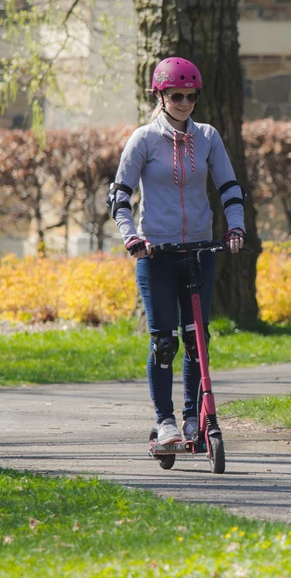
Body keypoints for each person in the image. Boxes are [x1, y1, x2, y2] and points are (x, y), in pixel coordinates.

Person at [107, 56, 246, 445]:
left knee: (196, 339)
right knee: (164, 341)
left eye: (190, 96)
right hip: (156, 254)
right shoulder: (144, 139)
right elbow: (119, 195)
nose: (184, 103)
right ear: (161, 95)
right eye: (176, 95)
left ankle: (190, 418)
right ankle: (165, 420)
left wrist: (236, 227)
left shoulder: (208, 137)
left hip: (199, 251)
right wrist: (130, 237)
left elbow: (230, 188)